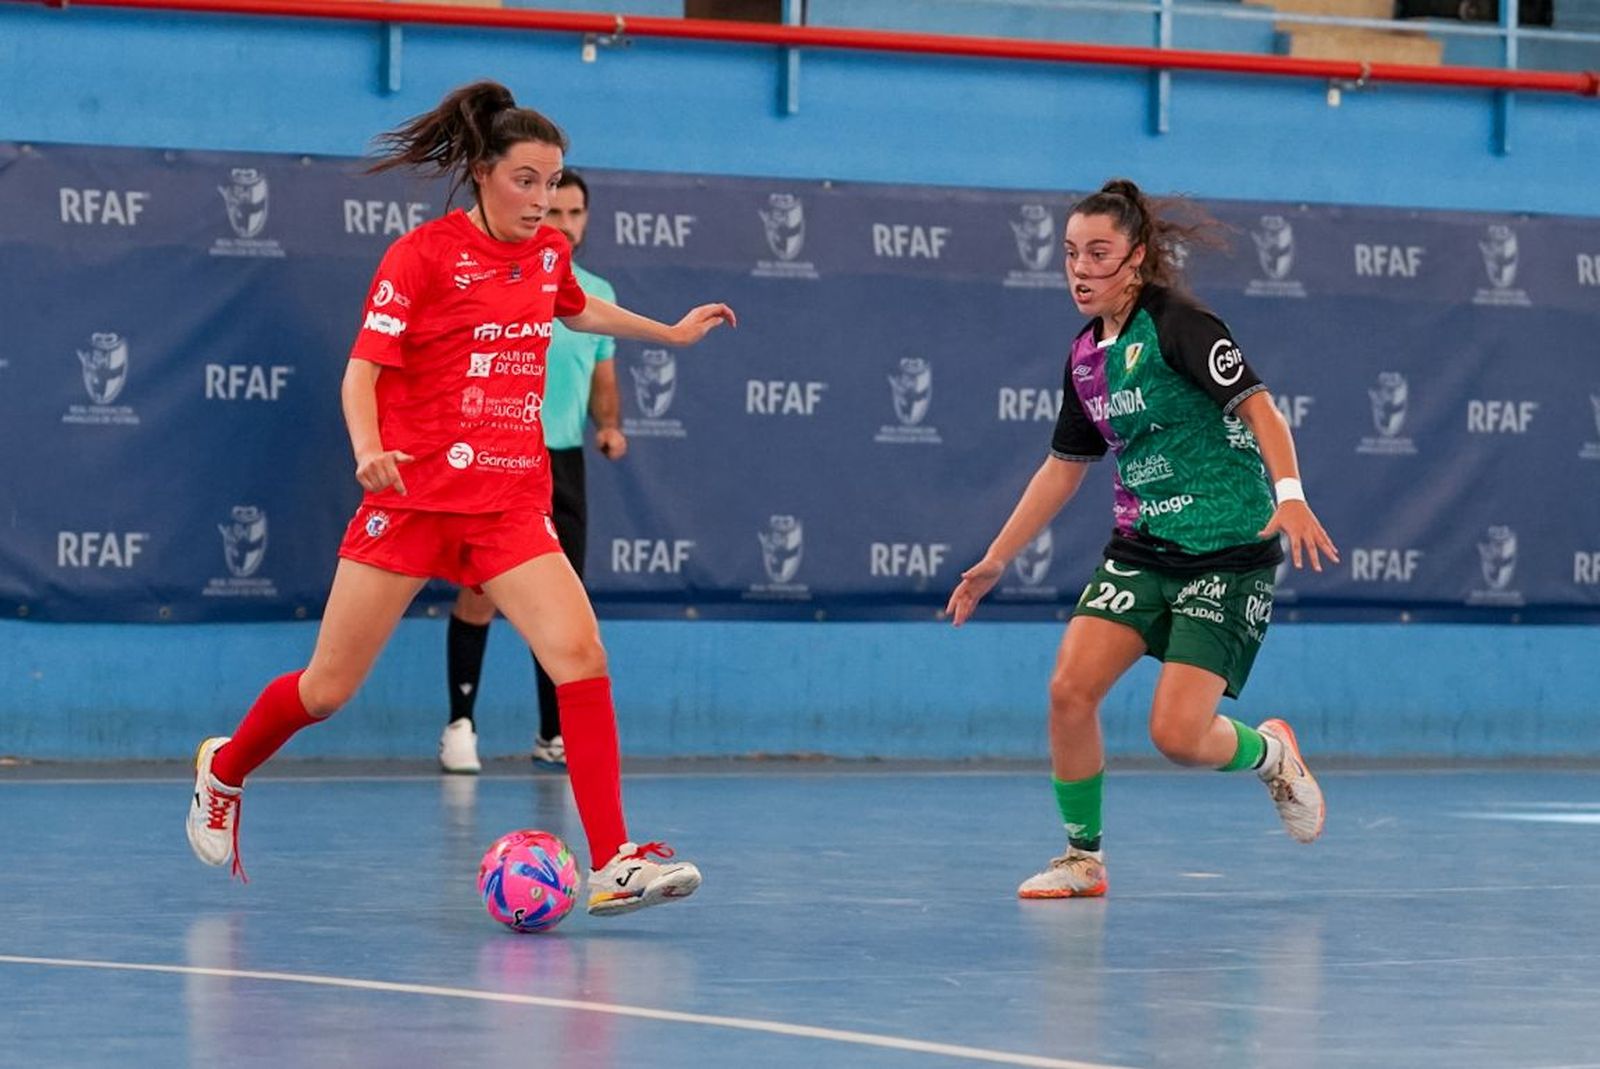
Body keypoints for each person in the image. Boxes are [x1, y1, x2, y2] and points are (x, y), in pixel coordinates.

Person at [185, 81, 735, 918]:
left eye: (553, 182)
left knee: (580, 654)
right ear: (483, 173)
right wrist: (369, 451)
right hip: (411, 500)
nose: (542, 200)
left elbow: (578, 309)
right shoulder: (422, 256)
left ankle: (614, 860)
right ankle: (224, 769)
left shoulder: (546, 254)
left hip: (508, 501)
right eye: (526, 180)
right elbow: (360, 374)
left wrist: (671, 332)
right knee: (326, 690)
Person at [945, 178, 1338, 900]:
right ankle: (1082, 859)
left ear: (1136, 257)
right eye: (1071, 253)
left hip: (1227, 550)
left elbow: (1262, 411)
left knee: (1178, 737)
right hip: (1144, 546)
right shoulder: (1085, 357)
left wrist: (1291, 496)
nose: (1080, 268)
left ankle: (1272, 754)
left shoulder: (1180, 323)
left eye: (1098, 253)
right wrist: (996, 558)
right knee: (1069, 690)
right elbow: (1064, 468)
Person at [438, 169, 625, 775]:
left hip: (562, 463)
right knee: (480, 592)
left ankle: (553, 733)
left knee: (561, 606)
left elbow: (602, 379)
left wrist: (609, 425)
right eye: (554, 212)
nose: (563, 224)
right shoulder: (500, 278)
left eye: (574, 213)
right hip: (495, 457)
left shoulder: (596, 293)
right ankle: (460, 726)